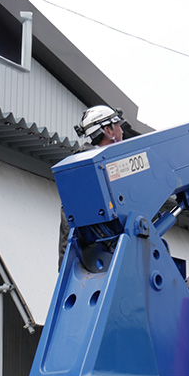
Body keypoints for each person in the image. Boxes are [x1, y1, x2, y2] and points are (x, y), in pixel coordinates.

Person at [60, 106, 127, 265]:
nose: (122, 132)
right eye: (118, 125)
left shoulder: (89, 167)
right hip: (103, 258)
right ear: (108, 131)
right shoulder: (89, 170)